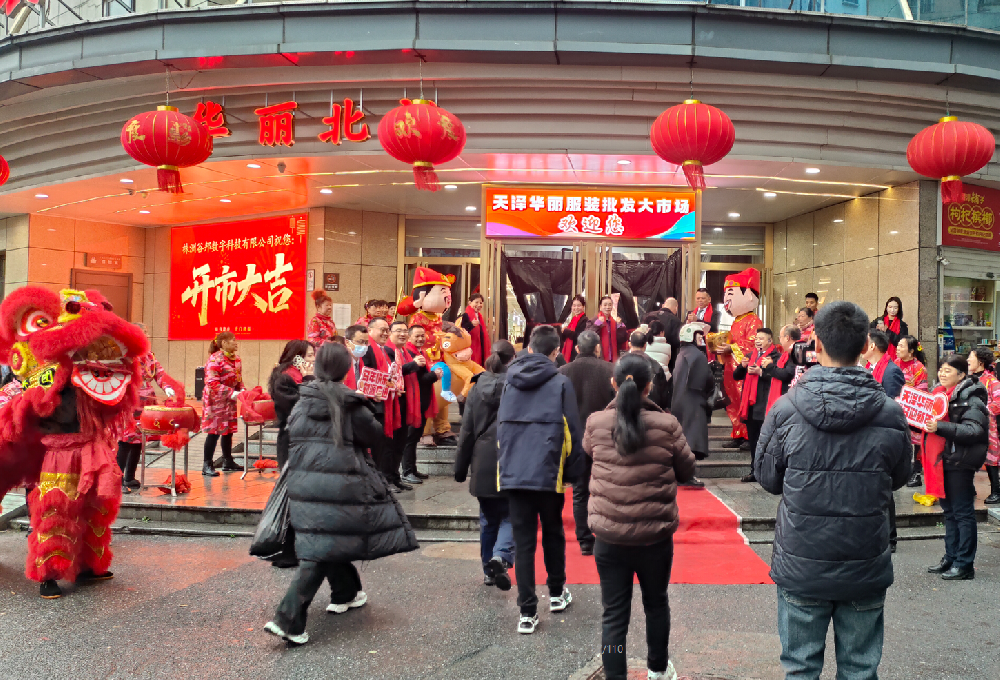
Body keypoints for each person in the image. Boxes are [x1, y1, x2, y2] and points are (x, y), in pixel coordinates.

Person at [755, 301, 911, 680]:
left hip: (802, 558)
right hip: (865, 556)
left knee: (800, 668)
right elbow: (900, 476)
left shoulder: (786, 408)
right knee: (860, 669)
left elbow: (767, 477)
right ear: (864, 347)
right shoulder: (890, 412)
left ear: (817, 344)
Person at [264, 343, 418, 647]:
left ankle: (347, 592)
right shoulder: (349, 402)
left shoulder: (303, 399)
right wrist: (371, 406)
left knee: (325, 538)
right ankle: (289, 619)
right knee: (320, 550)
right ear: (346, 369)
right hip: (341, 483)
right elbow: (375, 436)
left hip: (303, 480)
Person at [585, 353, 696, 680]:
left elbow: (589, 452)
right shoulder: (667, 425)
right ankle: (658, 670)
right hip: (655, 535)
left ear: (613, 383)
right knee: (656, 605)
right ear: (650, 386)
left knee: (614, 617)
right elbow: (687, 470)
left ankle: (614, 675)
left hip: (609, 536)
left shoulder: (596, 422)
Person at [498, 325, 585, 635]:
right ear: (555, 352)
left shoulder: (509, 381)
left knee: (522, 543)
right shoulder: (561, 382)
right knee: (552, 533)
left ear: (529, 348)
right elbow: (572, 431)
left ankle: (526, 612)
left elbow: (502, 426)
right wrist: (574, 472)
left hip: (514, 471)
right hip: (548, 469)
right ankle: (558, 592)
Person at [455, 340, 517, 588]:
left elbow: (466, 430)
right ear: (511, 360)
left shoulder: (477, 385)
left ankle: (488, 570)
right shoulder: (516, 387)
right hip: (510, 457)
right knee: (511, 514)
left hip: (482, 461)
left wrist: (460, 468)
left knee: (488, 518)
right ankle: (501, 556)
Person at [925, 354, 989, 580]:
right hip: (942, 461)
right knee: (949, 513)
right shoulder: (938, 395)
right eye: (941, 369)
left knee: (962, 514)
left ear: (962, 375)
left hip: (959, 462)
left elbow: (974, 431)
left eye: (948, 370)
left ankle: (964, 564)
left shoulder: (972, 399)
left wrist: (940, 427)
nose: (942, 373)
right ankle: (950, 557)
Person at [559, 330, 616, 556]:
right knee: (608, 490)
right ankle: (606, 533)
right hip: (604, 437)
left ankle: (584, 538)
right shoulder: (610, 370)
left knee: (580, 492)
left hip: (574, 439)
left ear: (576, 349)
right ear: (598, 349)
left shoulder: (562, 372)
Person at [267, 339, 315, 569]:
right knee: (292, 498)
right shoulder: (285, 378)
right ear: (295, 356)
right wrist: (308, 381)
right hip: (292, 441)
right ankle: (284, 551)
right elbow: (300, 407)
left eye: (313, 354)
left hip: (305, 441)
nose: (312, 359)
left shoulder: (301, 376)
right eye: (307, 355)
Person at [117, 324, 181, 494]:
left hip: (146, 404)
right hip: (129, 402)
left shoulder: (149, 356)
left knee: (139, 440)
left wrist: (166, 387)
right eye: (142, 333)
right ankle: (117, 479)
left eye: (146, 333)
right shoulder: (124, 355)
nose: (146, 336)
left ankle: (129, 476)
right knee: (125, 440)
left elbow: (159, 374)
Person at [862, 329, 906, 552]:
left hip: (883, 436)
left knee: (885, 490)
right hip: (869, 434)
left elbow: (893, 408)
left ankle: (890, 538)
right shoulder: (870, 368)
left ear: (872, 346)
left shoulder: (890, 371)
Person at [733, 328, 781, 483]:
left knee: (767, 441)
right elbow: (736, 376)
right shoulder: (749, 356)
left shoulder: (776, 357)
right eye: (756, 338)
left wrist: (761, 372)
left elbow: (780, 377)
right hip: (751, 406)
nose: (758, 340)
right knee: (754, 440)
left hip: (766, 403)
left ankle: (767, 472)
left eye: (761, 338)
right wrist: (742, 366)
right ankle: (754, 471)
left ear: (769, 341)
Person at [670, 323, 714, 488]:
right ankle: (687, 475)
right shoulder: (697, 355)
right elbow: (706, 380)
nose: (701, 338)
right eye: (699, 335)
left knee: (683, 439)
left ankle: (682, 474)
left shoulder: (682, 354)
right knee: (692, 440)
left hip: (681, 401)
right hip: (694, 402)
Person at [398, 325, 442, 486]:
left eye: (422, 335)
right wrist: (434, 376)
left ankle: (412, 468)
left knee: (415, 437)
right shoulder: (409, 354)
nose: (420, 339)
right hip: (413, 401)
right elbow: (420, 379)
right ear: (409, 338)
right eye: (417, 336)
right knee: (410, 438)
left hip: (422, 401)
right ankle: (407, 471)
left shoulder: (420, 352)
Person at [202, 331, 244, 477]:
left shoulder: (236, 359)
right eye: (232, 340)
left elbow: (238, 378)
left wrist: (242, 390)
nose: (235, 342)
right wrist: (231, 392)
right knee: (214, 432)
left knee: (229, 431)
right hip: (215, 400)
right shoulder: (215, 359)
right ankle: (207, 464)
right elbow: (212, 383)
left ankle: (228, 461)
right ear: (224, 343)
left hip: (229, 400)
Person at [385, 320, 418, 492]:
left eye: (405, 331)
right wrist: (413, 366)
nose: (403, 334)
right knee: (390, 444)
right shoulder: (388, 350)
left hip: (404, 399)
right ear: (390, 333)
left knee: (400, 442)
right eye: (398, 330)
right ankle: (388, 479)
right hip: (392, 401)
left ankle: (395, 477)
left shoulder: (404, 351)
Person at [968, 347, 1000, 504]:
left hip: (986, 426)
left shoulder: (992, 381)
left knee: (990, 459)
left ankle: (996, 491)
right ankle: (968, 488)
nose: (968, 360)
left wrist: (981, 409)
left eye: (971, 357)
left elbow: (998, 403)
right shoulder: (967, 379)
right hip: (967, 425)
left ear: (980, 362)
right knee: (967, 456)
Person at [896, 335, 928, 488]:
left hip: (913, 412)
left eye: (901, 346)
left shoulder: (919, 368)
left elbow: (921, 392)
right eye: (898, 345)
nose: (898, 348)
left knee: (916, 443)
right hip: (897, 410)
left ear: (911, 351)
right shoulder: (894, 364)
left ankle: (916, 472)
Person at [760, 324, 800, 411]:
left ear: (787, 338)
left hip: (789, 397)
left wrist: (769, 366)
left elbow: (787, 373)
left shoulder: (795, 351)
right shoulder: (789, 352)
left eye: (780, 337)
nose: (780, 341)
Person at [628, 331, 670, 411]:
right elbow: (663, 396)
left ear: (629, 344)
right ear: (645, 345)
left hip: (629, 411)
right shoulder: (656, 366)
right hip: (652, 410)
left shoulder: (621, 365)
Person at [589, 295, 627, 362]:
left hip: (613, 359)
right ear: (600, 307)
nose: (607, 307)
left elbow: (622, 339)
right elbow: (589, 336)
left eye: (610, 305)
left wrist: (620, 327)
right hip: (599, 358)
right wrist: (597, 324)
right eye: (605, 305)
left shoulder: (615, 322)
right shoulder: (593, 321)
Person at [460, 293, 491, 366]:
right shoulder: (465, 315)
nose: (479, 305)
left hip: (480, 347)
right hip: (470, 349)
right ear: (470, 303)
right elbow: (461, 330)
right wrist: (471, 325)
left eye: (481, 303)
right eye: (476, 302)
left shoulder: (480, 316)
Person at [560, 295, 589, 363]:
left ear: (583, 307)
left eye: (579, 305)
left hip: (576, 352)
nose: (576, 308)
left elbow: (579, 336)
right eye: (574, 305)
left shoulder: (584, 320)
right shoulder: (573, 320)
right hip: (569, 352)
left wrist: (566, 331)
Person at [657, 298, 682, 373]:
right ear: (676, 308)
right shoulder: (675, 320)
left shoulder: (648, 316)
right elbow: (677, 341)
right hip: (668, 360)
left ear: (663, 305)